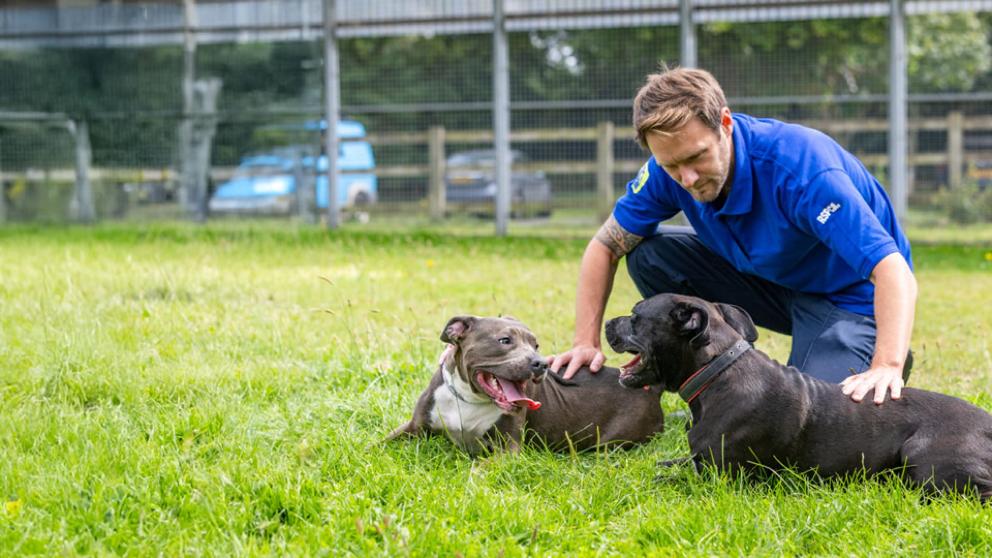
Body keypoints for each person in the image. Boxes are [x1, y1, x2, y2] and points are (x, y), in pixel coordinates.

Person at [549, 67, 917, 405]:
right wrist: (585, 343)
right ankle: (708, 375)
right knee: (650, 256)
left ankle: (869, 345)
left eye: (697, 157)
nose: (687, 178)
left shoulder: (802, 169)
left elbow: (893, 270)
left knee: (803, 412)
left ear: (725, 123)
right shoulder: (667, 171)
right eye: (671, 165)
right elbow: (606, 246)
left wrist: (887, 362)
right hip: (771, 285)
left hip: (847, 299)